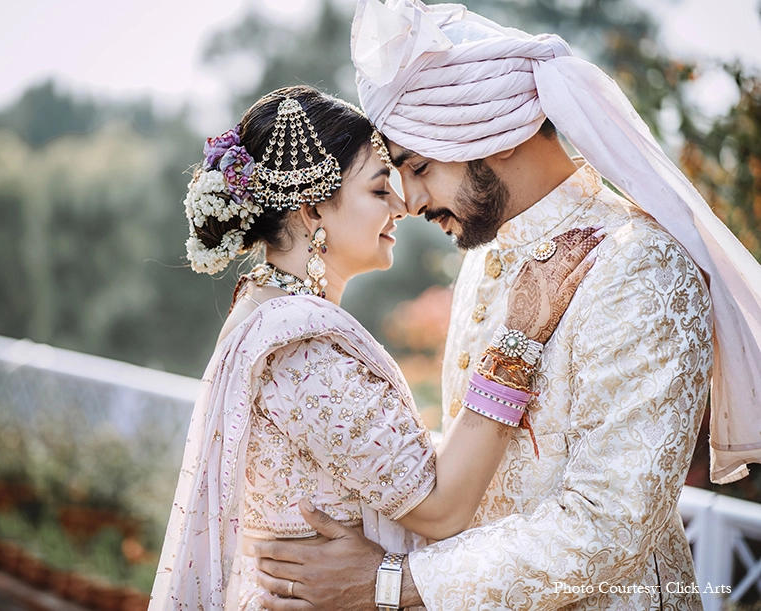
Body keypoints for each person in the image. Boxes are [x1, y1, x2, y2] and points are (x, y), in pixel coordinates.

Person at [252, 2, 761, 610]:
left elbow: (609, 524)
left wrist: (388, 583)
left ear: (491, 133)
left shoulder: (639, 265)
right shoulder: (483, 260)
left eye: (417, 167)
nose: (407, 201)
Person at [148, 84, 602, 610]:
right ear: (315, 209)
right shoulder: (301, 354)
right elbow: (440, 508)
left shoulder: (264, 312)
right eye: (378, 189)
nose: (403, 206)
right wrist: (519, 339)